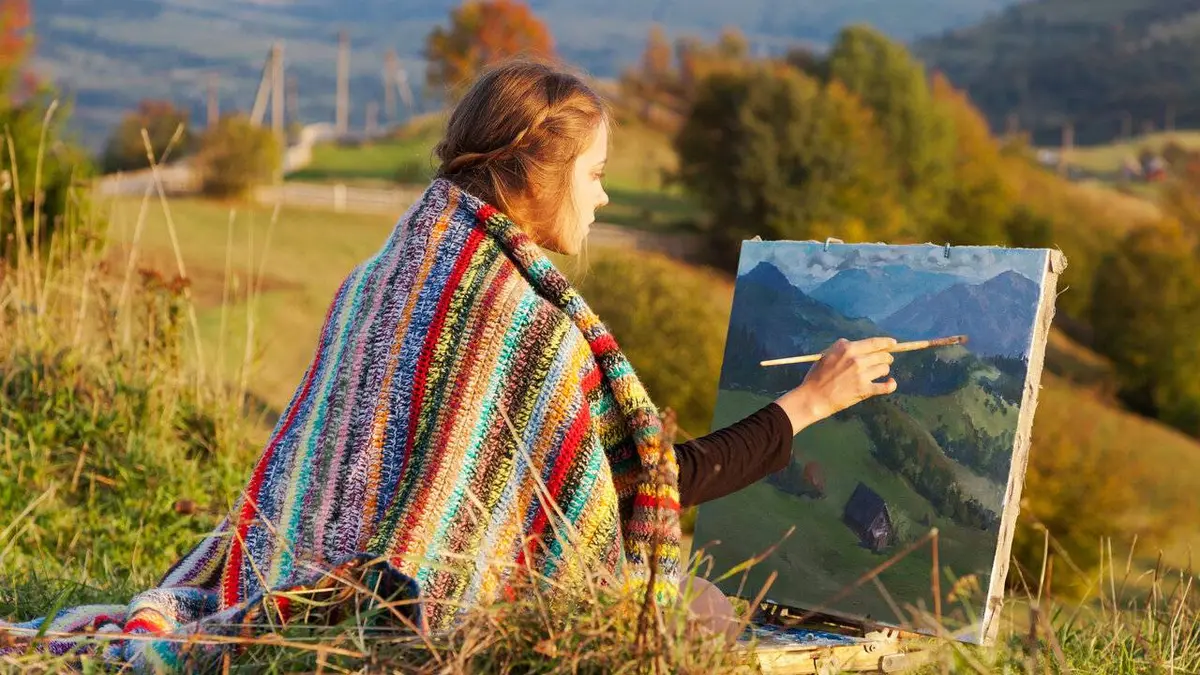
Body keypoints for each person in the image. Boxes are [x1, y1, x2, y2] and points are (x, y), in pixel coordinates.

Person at [0, 58, 897, 669]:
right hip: (434, 604)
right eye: (595, 174)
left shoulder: (385, 271)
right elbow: (648, 486)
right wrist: (811, 403)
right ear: (536, 177)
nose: (605, 195)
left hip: (330, 577)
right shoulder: (525, 322)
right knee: (698, 608)